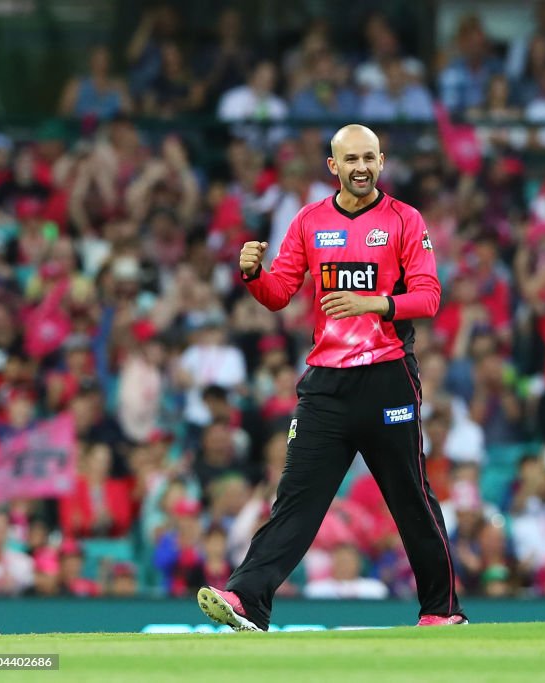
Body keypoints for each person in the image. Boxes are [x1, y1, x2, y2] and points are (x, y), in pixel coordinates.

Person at [196, 124, 466, 630]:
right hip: (325, 383)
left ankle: (441, 611)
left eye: (369, 158)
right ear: (333, 166)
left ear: (381, 162)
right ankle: (246, 600)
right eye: (351, 159)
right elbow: (278, 293)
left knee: (410, 500)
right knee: (296, 500)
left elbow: (429, 296)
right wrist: (253, 275)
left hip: (387, 378)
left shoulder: (405, 220)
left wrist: (374, 302)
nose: (361, 168)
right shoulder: (309, 221)